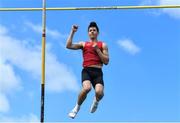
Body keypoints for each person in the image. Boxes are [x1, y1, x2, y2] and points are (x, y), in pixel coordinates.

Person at [66, 21, 109, 119]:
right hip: (87, 71)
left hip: (98, 72)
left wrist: (97, 49)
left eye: (94, 30)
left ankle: (96, 101)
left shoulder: (103, 45)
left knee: (99, 93)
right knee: (87, 88)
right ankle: (76, 108)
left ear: (97, 32)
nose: (92, 32)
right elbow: (68, 46)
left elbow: (106, 61)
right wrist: (73, 32)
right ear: (88, 33)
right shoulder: (84, 44)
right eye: (90, 30)